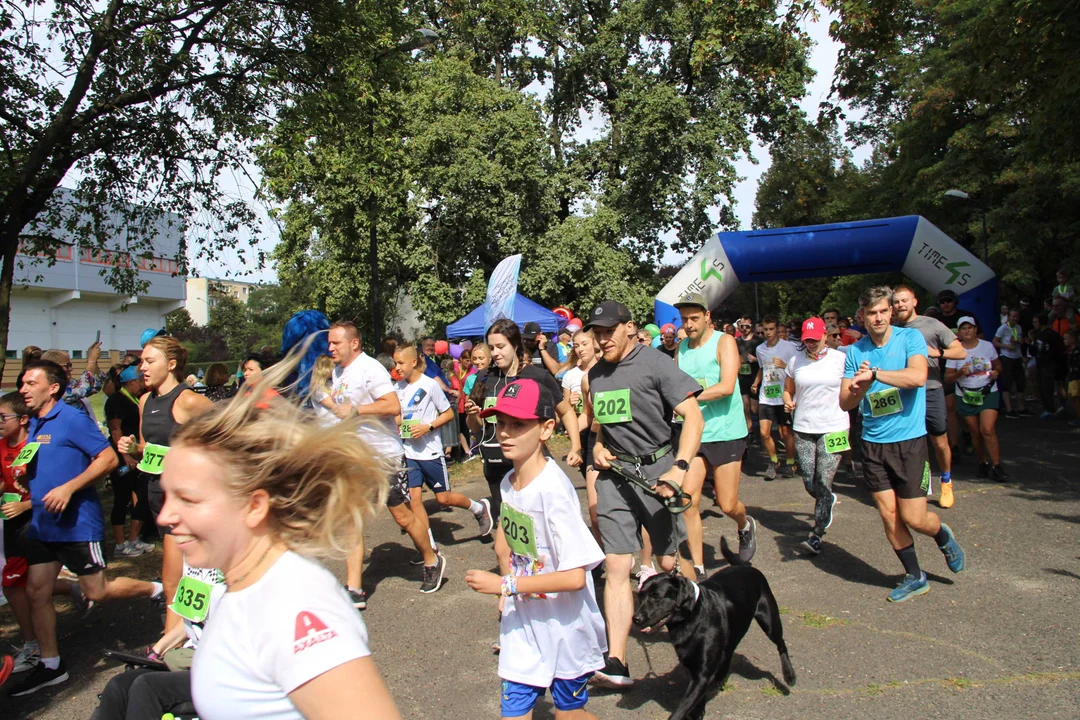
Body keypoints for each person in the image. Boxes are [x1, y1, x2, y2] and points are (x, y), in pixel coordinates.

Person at [155, 356, 401, 719]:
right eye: (167, 495)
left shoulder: (294, 601)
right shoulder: (238, 582)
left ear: (254, 506)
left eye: (188, 498)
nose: (164, 516)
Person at [8, 361, 165, 696]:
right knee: (37, 591)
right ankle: (51, 666)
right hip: (42, 522)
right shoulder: (35, 422)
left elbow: (107, 459)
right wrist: (27, 475)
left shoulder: (71, 419)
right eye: (22, 382)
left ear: (52, 388)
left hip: (76, 523)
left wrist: (68, 488)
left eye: (30, 382)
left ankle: (154, 589)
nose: (23, 388)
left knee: (97, 591)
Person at [466, 379, 606, 720]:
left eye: (518, 425)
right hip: (523, 625)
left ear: (546, 429)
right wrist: (508, 584)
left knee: (568, 714)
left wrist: (507, 586)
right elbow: (506, 545)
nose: (505, 433)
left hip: (565, 628)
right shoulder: (507, 482)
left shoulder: (554, 492)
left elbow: (575, 577)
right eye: (501, 424)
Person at [581, 300, 703, 689]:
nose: (602, 340)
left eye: (608, 331)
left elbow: (693, 416)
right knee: (617, 566)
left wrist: (679, 468)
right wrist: (596, 446)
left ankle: (705, 623)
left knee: (669, 563)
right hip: (615, 476)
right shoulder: (594, 375)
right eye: (596, 333)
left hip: (658, 473)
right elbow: (599, 423)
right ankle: (617, 660)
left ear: (629, 328)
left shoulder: (655, 363)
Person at [839, 287, 967, 604]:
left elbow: (917, 377)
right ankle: (915, 576)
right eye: (871, 313)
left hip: (908, 443)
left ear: (890, 312)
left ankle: (941, 534)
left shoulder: (909, 339)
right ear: (863, 317)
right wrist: (859, 387)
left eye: (883, 311)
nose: (878, 317)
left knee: (914, 517)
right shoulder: (855, 352)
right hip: (871, 444)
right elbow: (845, 402)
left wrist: (877, 374)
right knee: (888, 515)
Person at [328, 322, 444, 608]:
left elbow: (393, 406)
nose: (330, 348)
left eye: (336, 343)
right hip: (354, 456)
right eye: (329, 343)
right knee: (350, 520)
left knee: (402, 517)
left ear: (354, 343)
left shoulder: (370, 369)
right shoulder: (337, 371)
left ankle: (432, 559)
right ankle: (354, 588)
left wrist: (357, 410)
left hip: (383, 456)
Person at [117, 337, 215, 635]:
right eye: (141, 362)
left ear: (171, 365)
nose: (141, 369)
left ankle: (182, 646)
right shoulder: (145, 401)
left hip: (190, 502)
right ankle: (177, 645)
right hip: (159, 498)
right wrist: (133, 449)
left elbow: (229, 436)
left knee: (191, 577)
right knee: (176, 578)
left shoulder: (188, 400)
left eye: (149, 362)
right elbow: (150, 449)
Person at [465, 319, 582, 518]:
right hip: (494, 463)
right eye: (492, 348)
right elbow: (476, 428)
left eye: (501, 347)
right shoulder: (484, 377)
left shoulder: (537, 376)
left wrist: (576, 447)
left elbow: (566, 411)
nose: (495, 353)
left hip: (530, 463)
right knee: (511, 529)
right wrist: (472, 415)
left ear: (516, 345)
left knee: (541, 521)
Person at [674, 292, 754, 579]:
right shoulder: (681, 347)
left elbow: (727, 386)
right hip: (695, 433)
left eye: (694, 318)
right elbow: (674, 384)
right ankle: (699, 567)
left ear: (708, 317)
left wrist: (686, 399)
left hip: (726, 432)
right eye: (684, 319)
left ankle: (745, 526)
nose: (689, 324)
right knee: (687, 499)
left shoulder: (725, 341)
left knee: (727, 503)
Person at [393, 345, 494, 546]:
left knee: (443, 499)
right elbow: (397, 417)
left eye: (400, 363)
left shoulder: (429, 385)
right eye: (395, 363)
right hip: (410, 453)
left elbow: (448, 414)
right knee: (415, 501)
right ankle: (428, 547)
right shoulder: (397, 388)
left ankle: (478, 509)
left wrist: (428, 427)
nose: (397, 367)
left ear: (413, 362)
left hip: (430, 452)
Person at [892, 286, 966, 509]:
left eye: (904, 300)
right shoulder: (891, 328)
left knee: (939, 440)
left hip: (930, 387)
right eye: (896, 302)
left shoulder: (931, 324)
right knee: (909, 442)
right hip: (903, 389)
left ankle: (946, 480)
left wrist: (936, 352)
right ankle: (917, 485)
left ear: (914, 301)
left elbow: (960, 351)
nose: (900, 305)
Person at [782, 318, 848, 555]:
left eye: (815, 338)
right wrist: (788, 401)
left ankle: (817, 533)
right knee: (810, 481)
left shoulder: (841, 359)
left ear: (825, 336)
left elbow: (853, 387)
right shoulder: (795, 361)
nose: (810, 343)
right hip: (803, 427)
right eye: (806, 339)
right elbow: (788, 390)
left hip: (835, 426)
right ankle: (826, 499)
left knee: (823, 479)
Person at [946, 317, 1006, 480]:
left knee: (987, 429)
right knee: (975, 432)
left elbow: (998, 365)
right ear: (958, 332)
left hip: (987, 391)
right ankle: (982, 462)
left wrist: (996, 373)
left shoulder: (987, 346)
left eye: (970, 328)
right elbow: (948, 378)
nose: (967, 331)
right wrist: (960, 373)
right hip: (966, 394)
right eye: (963, 328)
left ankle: (997, 466)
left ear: (975, 330)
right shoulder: (955, 351)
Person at [104, 364, 153, 557]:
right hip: (122, 456)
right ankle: (120, 544)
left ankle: (134, 539)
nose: (142, 384)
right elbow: (115, 430)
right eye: (140, 381)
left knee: (141, 497)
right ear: (131, 382)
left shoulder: (137, 399)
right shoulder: (116, 401)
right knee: (121, 498)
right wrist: (125, 456)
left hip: (137, 454)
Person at [751, 315, 798, 479]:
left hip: (783, 395)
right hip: (766, 396)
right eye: (766, 329)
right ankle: (773, 461)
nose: (768, 332)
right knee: (764, 433)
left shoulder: (789, 347)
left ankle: (791, 462)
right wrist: (756, 383)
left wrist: (784, 366)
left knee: (786, 433)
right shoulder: (760, 349)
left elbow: (796, 370)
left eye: (771, 329)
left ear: (777, 330)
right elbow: (761, 368)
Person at [40, 341, 106, 414]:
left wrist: (94, 361)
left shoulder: (69, 383)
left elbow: (94, 387)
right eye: (67, 366)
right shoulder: (52, 389)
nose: (71, 369)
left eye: (70, 365)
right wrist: (91, 360)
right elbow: (82, 390)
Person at [1031, 313, 1067, 419]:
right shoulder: (1038, 334)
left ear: (1041, 322)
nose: (1034, 324)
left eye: (1035, 322)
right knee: (1041, 387)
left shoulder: (1052, 335)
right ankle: (1047, 408)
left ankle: (1052, 409)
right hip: (1040, 364)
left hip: (1050, 365)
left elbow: (1059, 350)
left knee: (1048, 388)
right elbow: (1034, 351)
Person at [993, 309, 1028, 417]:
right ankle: (1009, 409)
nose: (1015, 319)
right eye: (1013, 316)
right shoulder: (1003, 328)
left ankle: (1021, 408)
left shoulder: (1018, 327)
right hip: (1007, 357)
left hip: (1017, 356)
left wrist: (1019, 341)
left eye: (1017, 316)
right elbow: (995, 341)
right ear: (1008, 317)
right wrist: (1007, 346)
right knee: (1007, 383)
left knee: (1020, 382)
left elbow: (1019, 339)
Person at [736, 317, 762, 439]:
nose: (744, 329)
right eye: (742, 326)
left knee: (754, 408)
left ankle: (762, 428)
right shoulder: (736, 341)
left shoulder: (758, 341)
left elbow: (765, 358)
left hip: (755, 376)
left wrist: (756, 359)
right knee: (745, 406)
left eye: (747, 326)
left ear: (751, 327)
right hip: (742, 376)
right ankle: (749, 430)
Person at [309, 354, 338, 426]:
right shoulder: (318, 388)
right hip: (329, 427)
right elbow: (334, 406)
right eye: (333, 366)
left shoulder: (331, 383)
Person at [1064, 330, 1080, 425]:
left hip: (1076, 378)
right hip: (1072, 377)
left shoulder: (1077, 351)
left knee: (1076, 398)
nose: (1064, 340)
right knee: (1072, 398)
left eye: (1066, 338)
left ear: (1073, 339)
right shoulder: (1070, 351)